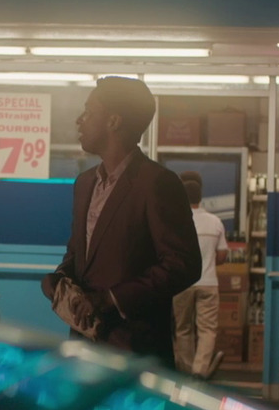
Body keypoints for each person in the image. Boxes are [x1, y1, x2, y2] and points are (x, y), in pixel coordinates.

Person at [41, 77, 200, 367]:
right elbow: (78, 254)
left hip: (134, 351)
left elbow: (183, 264)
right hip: (84, 347)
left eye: (89, 111)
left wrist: (109, 299)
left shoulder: (157, 183)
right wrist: (60, 279)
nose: (79, 120)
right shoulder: (85, 184)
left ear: (113, 121)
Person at [172, 172, 228, 378]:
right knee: (207, 329)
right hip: (209, 283)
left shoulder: (176, 222)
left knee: (183, 328)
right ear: (200, 197)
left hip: (182, 284)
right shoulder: (215, 222)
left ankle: (186, 373)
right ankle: (200, 371)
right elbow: (222, 256)